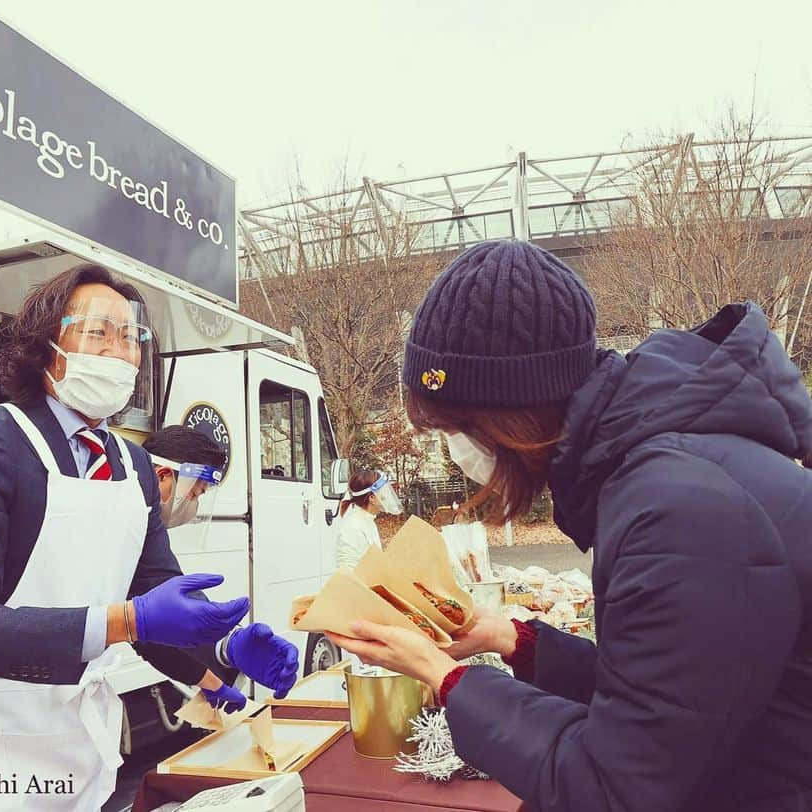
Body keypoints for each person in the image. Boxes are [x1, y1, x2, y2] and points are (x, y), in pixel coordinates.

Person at [332, 240, 812, 812]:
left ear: (510, 414)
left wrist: (442, 675)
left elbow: (616, 788)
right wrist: (509, 639)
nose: (454, 451)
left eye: (456, 428)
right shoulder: (665, 473)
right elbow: (670, 703)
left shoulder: (681, 509)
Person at [0, 264, 298, 810]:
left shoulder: (133, 465)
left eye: (132, 336)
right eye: (99, 331)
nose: (121, 351)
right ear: (47, 346)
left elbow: (157, 610)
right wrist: (125, 620)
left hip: (74, 753)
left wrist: (221, 648)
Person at [142, 425, 299, 711]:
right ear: (162, 475)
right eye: (194, 494)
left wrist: (227, 645)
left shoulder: (148, 532)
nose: (193, 505)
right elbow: (135, 620)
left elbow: (149, 625)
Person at [332, 468, 403, 571]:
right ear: (372, 498)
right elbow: (347, 572)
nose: (387, 496)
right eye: (383, 492)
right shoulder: (353, 527)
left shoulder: (367, 520)